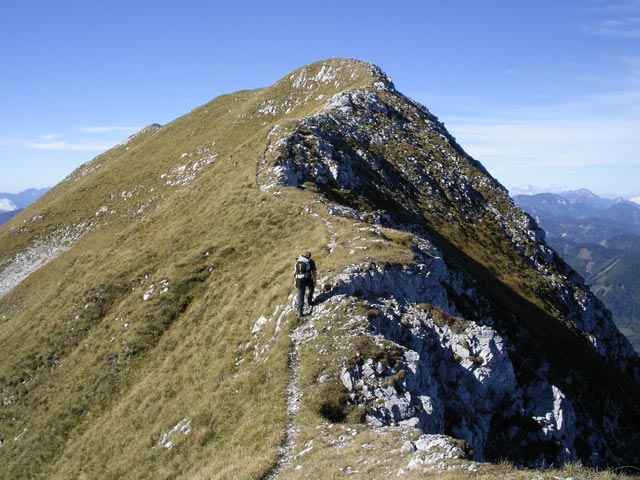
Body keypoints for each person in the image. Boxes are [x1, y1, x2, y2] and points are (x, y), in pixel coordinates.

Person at [293, 251, 317, 317]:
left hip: (298, 279)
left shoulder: (298, 261)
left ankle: (300, 311)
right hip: (307, 278)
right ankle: (310, 302)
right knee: (311, 287)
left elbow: (294, 272)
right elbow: (314, 272)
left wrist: (294, 281)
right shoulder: (310, 261)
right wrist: (315, 280)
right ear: (309, 256)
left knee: (301, 293)